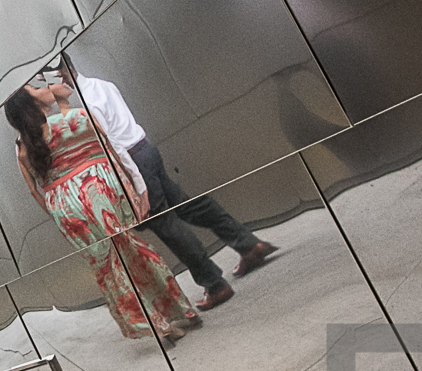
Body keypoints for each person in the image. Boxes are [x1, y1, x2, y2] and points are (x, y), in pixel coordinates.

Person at [58, 55, 275, 310]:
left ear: (61, 72)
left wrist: (134, 184)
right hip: (145, 150)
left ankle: (215, 285)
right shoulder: (100, 85)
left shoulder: (85, 103)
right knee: (188, 206)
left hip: (132, 162)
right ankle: (249, 245)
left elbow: (112, 145)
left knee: (166, 224)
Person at [4, 80, 201, 344]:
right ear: (33, 104)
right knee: (133, 252)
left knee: (109, 269)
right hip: (95, 195)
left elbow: (34, 191)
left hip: (65, 208)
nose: (45, 88)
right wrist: (132, 192)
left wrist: (59, 216)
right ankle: (179, 309)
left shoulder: (22, 148)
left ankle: (155, 324)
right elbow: (111, 151)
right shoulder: (76, 118)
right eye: (37, 89)